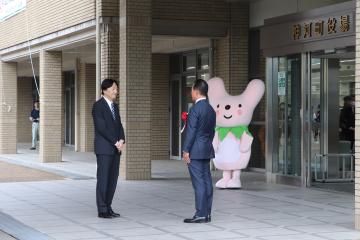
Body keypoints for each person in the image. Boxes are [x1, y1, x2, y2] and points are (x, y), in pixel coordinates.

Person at [182, 79, 216, 223]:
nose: (191, 93)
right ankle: (207, 213)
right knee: (207, 180)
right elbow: (212, 131)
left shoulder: (195, 109)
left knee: (199, 183)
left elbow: (191, 131)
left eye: (191, 90)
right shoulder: (211, 109)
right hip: (207, 148)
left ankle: (200, 214)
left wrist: (186, 150)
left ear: (196, 91)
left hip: (195, 150)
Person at [92, 79, 125, 218]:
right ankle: (102, 209)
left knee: (112, 179)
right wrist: (115, 141)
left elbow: (119, 125)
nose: (115, 91)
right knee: (103, 179)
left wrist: (122, 139)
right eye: (113, 89)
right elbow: (101, 128)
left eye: (116, 89)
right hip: (104, 148)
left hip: (115, 148)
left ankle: (108, 206)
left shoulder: (115, 106)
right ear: (104, 90)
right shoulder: (98, 106)